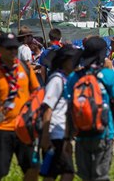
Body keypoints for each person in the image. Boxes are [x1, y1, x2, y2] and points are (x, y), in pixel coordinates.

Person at [0, 32, 41, 181]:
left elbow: (37, 92)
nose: (13, 51)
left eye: (14, 48)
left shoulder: (25, 68)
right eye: (9, 48)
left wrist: (36, 115)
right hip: (1, 128)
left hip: (24, 127)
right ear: (0, 49)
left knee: (33, 168)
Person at [63, 36, 114, 181]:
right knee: (101, 175)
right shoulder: (110, 76)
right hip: (105, 132)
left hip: (81, 133)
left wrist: (67, 137)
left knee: (85, 176)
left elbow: (69, 109)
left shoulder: (74, 77)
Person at [40, 46, 80, 181]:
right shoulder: (57, 80)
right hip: (54, 132)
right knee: (64, 172)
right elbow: (48, 108)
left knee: (55, 172)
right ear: (64, 61)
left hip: (62, 132)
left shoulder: (67, 79)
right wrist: (45, 135)